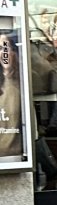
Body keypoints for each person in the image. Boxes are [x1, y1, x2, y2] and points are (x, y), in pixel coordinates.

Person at [0, 31, 23, 160]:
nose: (3, 54)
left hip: (13, 154)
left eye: (5, 48)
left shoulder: (22, 81)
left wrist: (7, 69)